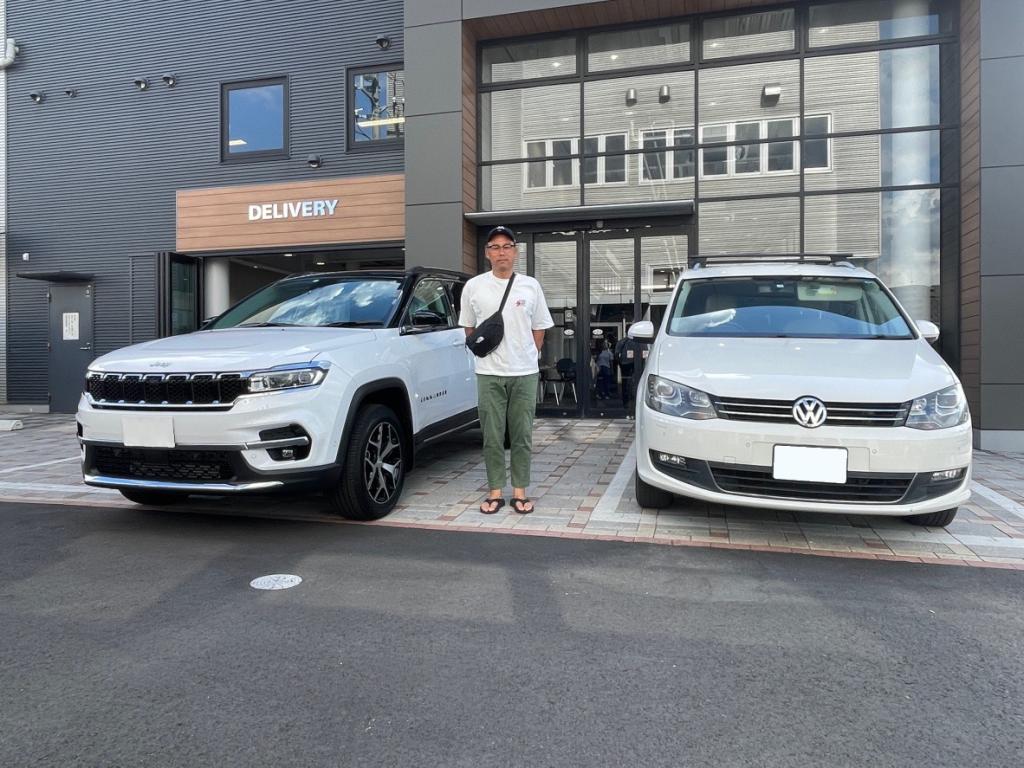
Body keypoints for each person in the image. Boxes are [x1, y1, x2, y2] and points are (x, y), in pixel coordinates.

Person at [460, 226, 554, 515]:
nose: (501, 252)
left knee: (522, 434)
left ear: (515, 251)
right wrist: (488, 353)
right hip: (488, 372)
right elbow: (469, 327)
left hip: (524, 373)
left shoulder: (530, 286)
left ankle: (520, 491)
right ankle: (495, 491)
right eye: (495, 247)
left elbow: (539, 327)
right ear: (487, 253)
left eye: (506, 246)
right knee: (492, 434)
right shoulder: (474, 286)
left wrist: (528, 354)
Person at [615, 331, 640, 416]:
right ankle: (633, 402)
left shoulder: (621, 342)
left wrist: (620, 364)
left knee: (625, 383)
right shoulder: (638, 342)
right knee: (635, 383)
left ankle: (626, 402)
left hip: (625, 365)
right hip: (634, 365)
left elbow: (616, 354)